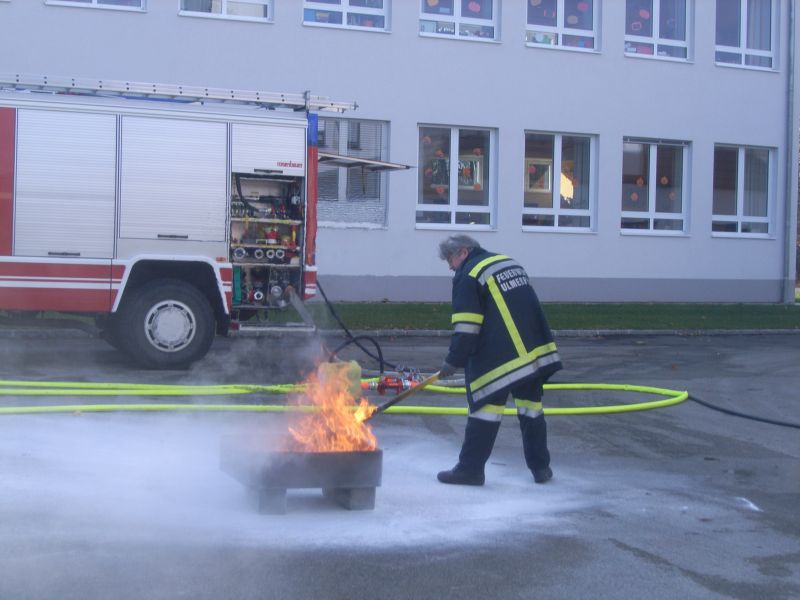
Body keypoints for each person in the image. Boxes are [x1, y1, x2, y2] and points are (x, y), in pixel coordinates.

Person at [436, 234, 562, 486]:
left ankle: (470, 470)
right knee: (531, 410)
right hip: (534, 352)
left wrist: (453, 361)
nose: (450, 266)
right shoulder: (508, 262)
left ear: (463, 252)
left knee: (485, 410)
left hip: (501, 358)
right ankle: (541, 468)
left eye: (450, 259)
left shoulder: (469, 274)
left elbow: (467, 325)